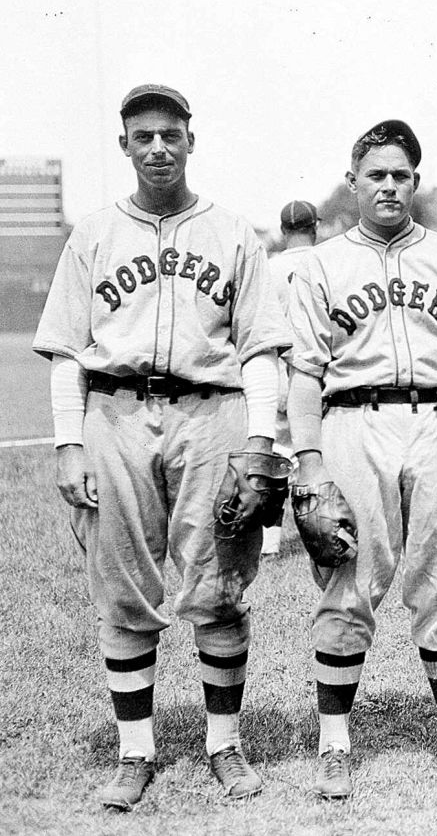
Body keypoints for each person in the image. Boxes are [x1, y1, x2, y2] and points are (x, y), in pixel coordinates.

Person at [32, 84, 291, 809]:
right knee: (122, 586)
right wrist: (68, 443)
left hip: (212, 414)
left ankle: (224, 742)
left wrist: (259, 446)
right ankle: (134, 750)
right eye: (142, 135)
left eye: (169, 134)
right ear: (124, 145)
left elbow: (263, 348)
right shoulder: (92, 234)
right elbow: (66, 353)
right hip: (113, 411)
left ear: (190, 141)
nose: (156, 147)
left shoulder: (234, 232)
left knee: (218, 582)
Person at [285, 120, 437, 798]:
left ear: (416, 181)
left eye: (400, 174)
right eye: (376, 174)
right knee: (350, 579)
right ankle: (333, 743)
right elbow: (302, 375)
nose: (388, 185)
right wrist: (312, 461)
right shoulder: (321, 263)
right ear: (352, 182)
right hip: (356, 421)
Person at [260, 200, 319, 556]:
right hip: (320, 372)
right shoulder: (330, 260)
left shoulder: (268, 268)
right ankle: (325, 533)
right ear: (315, 227)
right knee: (321, 454)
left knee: (277, 460)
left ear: (284, 232)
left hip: (280, 369)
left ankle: (269, 544)